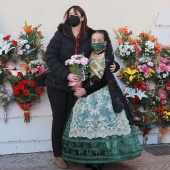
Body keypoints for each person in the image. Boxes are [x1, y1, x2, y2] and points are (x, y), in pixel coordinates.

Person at [45, 6, 117, 169]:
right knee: (59, 120)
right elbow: (49, 56)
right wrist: (66, 74)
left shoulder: (90, 36)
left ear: (83, 17)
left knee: (72, 120)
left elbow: (102, 53)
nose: (73, 18)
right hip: (57, 84)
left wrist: (115, 65)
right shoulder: (60, 34)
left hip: (78, 87)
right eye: (70, 15)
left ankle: (68, 153)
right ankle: (58, 156)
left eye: (76, 15)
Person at [62, 30, 142, 170]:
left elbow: (105, 80)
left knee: (102, 124)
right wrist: (78, 85)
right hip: (86, 94)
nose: (96, 43)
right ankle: (90, 157)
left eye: (99, 40)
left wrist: (87, 90)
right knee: (87, 124)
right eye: (94, 40)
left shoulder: (108, 57)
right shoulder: (86, 56)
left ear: (105, 43)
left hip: (104, 94)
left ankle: (101, 159)